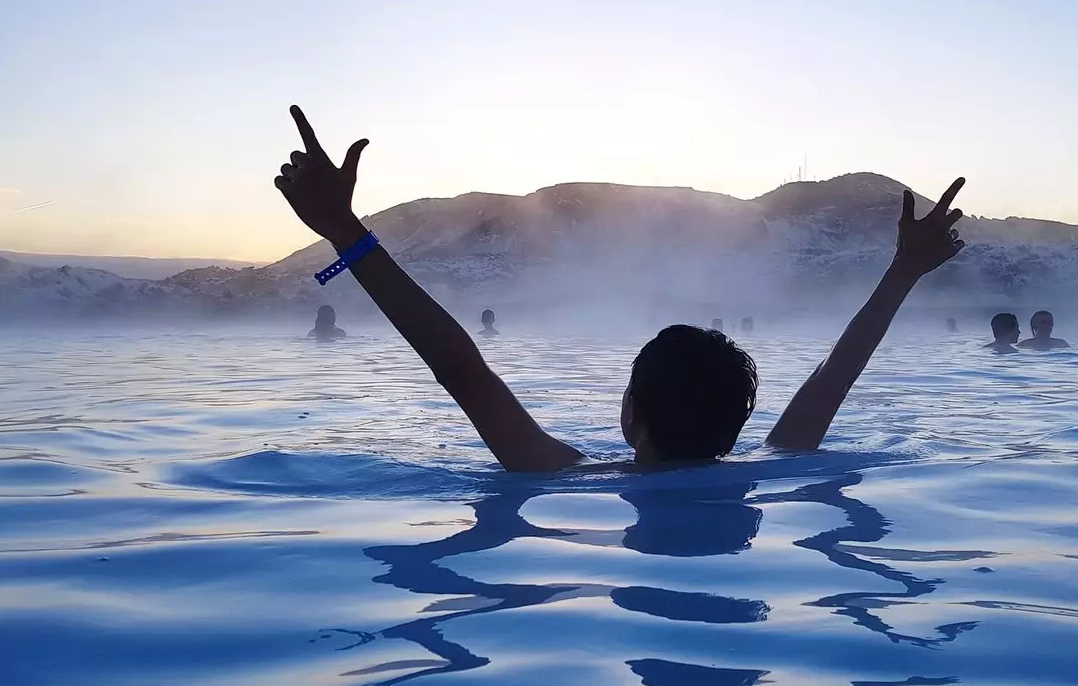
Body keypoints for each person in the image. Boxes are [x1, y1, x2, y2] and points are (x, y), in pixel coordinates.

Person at [274, 105, 966, 471]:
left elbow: (460, 369)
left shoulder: (561, 476)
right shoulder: (771, 468)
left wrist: (345, 231)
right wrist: (902, 271)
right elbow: (834, 376)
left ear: (628, 414)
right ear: (740, 423)